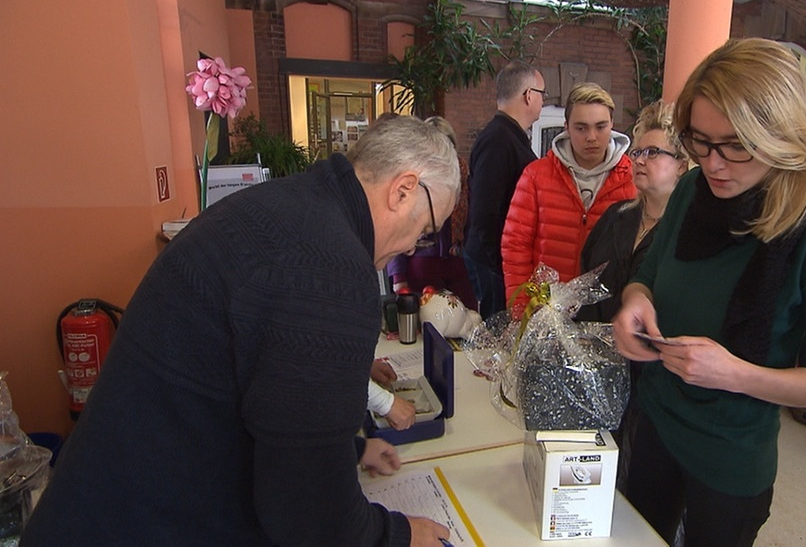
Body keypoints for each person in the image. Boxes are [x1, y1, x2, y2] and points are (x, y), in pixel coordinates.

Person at [21, 116, 460, 547]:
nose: (411, 247)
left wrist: (346, 451)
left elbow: (267, 398)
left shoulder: (290, 207)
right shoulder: (330, 269)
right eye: (424, 231)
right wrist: (398, 536)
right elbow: (308, 512)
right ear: (402, 191)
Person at [611, 38, 806, 546]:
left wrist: (737, 374)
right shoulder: (692, 191)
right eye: (700, 142)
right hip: (657, 421)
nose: (714, 164)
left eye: (736, 145)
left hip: (730, 454)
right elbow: (650, 276)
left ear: (783, 139)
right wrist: (634, 302)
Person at [574, 99, 687, 496]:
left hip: (651, 383)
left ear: (683, 165)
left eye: (653, 152)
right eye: (637, 151)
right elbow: (586, 282)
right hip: (597, 370)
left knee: (640, 489)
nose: (639, 159)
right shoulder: (616, 216)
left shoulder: (686, 235)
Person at [501, 82, 635, 306]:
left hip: (606, 310)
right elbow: (515, 245)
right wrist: (521, 306)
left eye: (600, 127)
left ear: (612, 124)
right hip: (546, 307)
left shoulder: (632, 179)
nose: (591, 137)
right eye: (581, 128)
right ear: (566, 127)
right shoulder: (536, 176)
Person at [463, 60, 545, 319]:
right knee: (498, 333)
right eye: (543, 95)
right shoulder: (499, 140)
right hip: (495, 263)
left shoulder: (509, 136)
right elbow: (485, 212)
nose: (543, 101)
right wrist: (502, 266)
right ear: (529, 95)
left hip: (500, 260)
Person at [387, 116, 477, 310]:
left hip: (456, 259)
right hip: (422, 261)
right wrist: (398, 276)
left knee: (468, 316)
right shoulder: (412, 178)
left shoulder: (461, 172)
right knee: (427, 323)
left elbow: (470, 218)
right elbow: (397, 226)